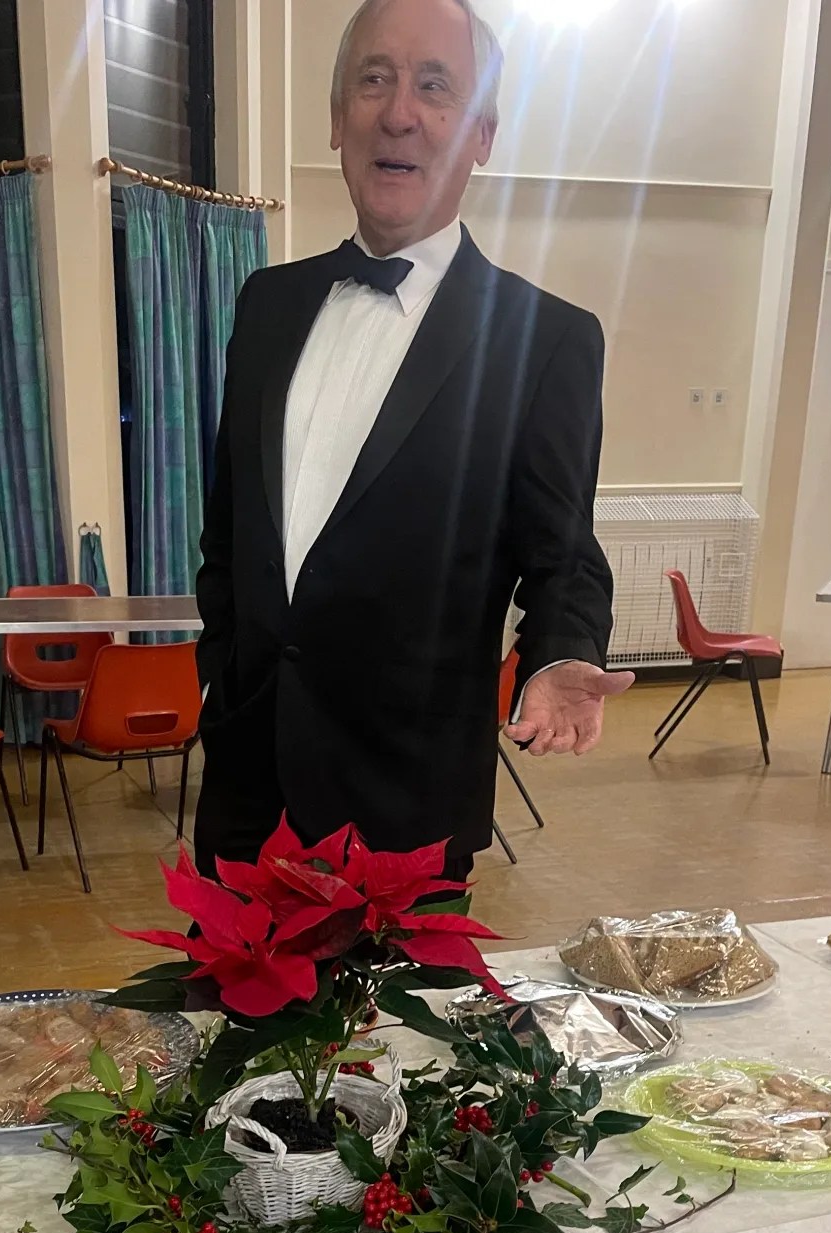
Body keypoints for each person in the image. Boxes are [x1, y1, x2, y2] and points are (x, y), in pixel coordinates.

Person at [192, 0, 630, 881]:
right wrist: (220, 674)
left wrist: (560, 653)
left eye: (436, 88)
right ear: (336, 119)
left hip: (406, 813)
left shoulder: (547, 340)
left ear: (482, 135)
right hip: (245, 802)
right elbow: (230, 532)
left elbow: (564, 556)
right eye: (374, 80)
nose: (399, 112)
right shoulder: (267, 304)